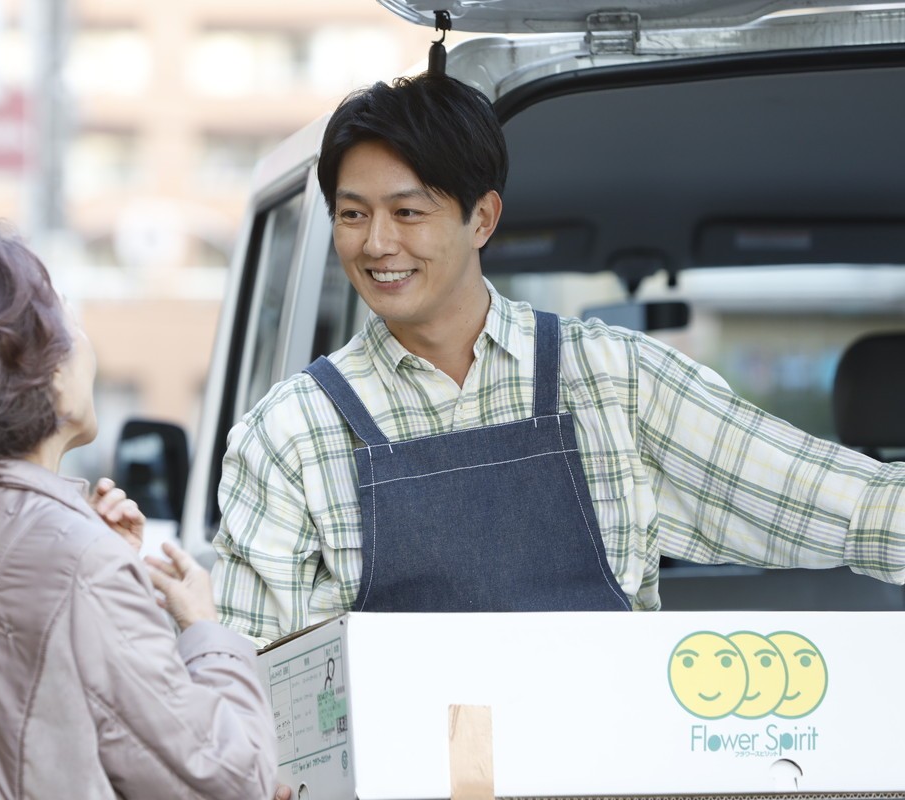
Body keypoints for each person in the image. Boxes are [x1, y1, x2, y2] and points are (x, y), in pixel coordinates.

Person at [211, 73, 905, 647]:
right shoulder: (288, 436)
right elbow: (251, 690)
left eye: (409, 212)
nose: (377, 244)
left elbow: (838, 505)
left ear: (481, 219)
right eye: (353, 214)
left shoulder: (613, 383)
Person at [0, 217, 279, 799]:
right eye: (69, 325)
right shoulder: (77, 563)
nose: (86, 347)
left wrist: (100, 558)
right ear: (38, 373)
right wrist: (204, 629)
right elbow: (230, 781)